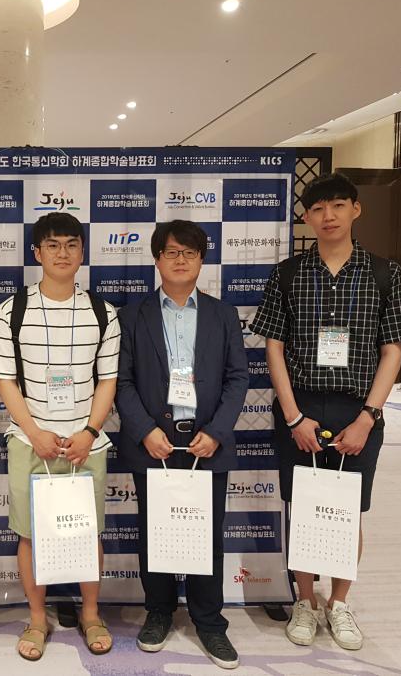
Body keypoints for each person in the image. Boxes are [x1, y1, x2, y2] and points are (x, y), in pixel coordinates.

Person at [250, 172, 401, 651]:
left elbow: (393, 350)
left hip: (358, 409)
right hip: (302, 407)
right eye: (318, 208)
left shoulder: (384, 273)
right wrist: (293, 417)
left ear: (355, 210)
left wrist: (368, 417)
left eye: (338, 206)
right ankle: (305, 600)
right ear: (306, 216)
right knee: (304, 509)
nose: (329, 216)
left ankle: (339, 602)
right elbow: (274, 348)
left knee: (347, 511)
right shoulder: (288, 274)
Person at [0, 212, 120, 661]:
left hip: (86, 444)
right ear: (37, 252)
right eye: (53, 245)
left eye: (71, 244)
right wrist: (34, 432)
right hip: (30, 442)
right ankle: (36, 618)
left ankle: (91, 614)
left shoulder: (103, 312)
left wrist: (89, 432)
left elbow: (107, 381)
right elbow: (4, 380)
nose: (63, 253)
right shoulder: (11, 311)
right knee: (29, 534)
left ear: (82, 251)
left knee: (88, 533)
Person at [115, 219, 248, 670]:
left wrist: (217, 432)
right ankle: (158, 612)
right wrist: (144, 430)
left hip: (206, 443)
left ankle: (209, 622)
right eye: (171, 252)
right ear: (157, 259)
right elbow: (122, 381)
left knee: (207, 536)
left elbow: (238, 378)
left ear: (201, 260)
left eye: (189, 252)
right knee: (154, 532)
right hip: (153, 442)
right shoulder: (131, 316)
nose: (180, 260)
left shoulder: (222, 314)